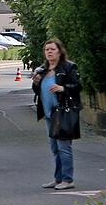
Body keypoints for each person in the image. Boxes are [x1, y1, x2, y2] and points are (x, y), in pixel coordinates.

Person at [32, 38, 82, 190]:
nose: (49, 52)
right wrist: (35, 83)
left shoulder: (68, 67)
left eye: (52, 49)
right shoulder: (43, 70)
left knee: (63, 147)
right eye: (47, 50)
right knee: (54, 148)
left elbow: (77, 86)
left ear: (60, 51)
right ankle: (58, 178)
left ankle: (68, 179)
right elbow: (38, 91)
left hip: (62, 112)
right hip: (49, 114)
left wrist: (63, 88)